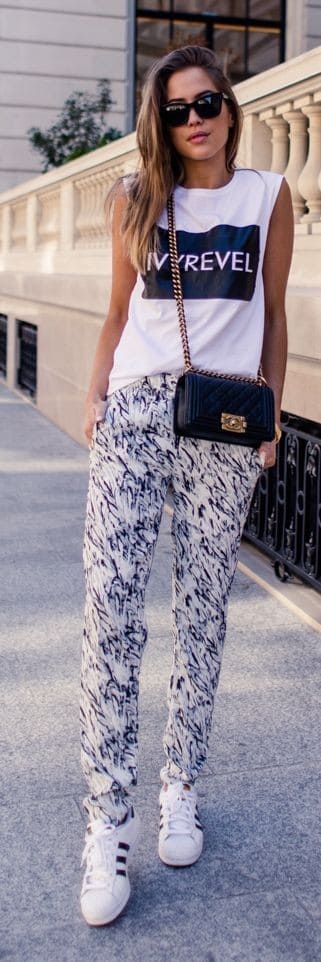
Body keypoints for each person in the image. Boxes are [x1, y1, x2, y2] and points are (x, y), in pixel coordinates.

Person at [79, 44, 294, 927]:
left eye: (206, 101)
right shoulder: (134, 198)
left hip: (223, 422)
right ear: (157, 119)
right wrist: (93, 396)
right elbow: (116, 311)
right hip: (132, 410)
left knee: (202, 608)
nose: (194, 118)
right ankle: (106, 820)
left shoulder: (268, 198)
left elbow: (273, 313)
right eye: (175, 108)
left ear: (229, 107)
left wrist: (272, 412)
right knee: (111, 607)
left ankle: (179, 786)